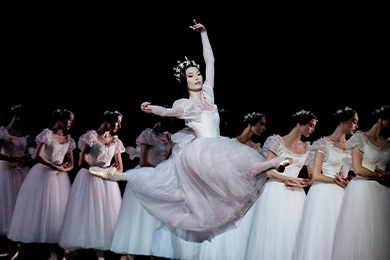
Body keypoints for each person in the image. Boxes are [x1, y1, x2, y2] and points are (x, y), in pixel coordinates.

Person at [90, 19, 291, 242]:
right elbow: (166, 112)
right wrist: (149, 108)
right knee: (162, 180)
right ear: (185, 82)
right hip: (202, 151)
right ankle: (117, 175)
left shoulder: (209, 94)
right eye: (191, 76)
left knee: (234, 172)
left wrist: (203, 33)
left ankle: (270, 164)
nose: (196, 77)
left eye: (197, 74)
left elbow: (211, 61)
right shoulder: (184, 105)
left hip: (220, 146)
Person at [245, 109, 317, 260]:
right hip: (275, 190)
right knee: (274, 232)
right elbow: (268, 171)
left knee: (294, 231)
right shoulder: (277, 141)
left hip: (296, 194)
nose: (312, 130)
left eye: (314, 126)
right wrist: (286, 179)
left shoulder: (306, 148)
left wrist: (303, 183)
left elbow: (311, 176)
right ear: (299, 124)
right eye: (310, 125)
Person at [197, 112, 267, 260]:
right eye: (261, 123)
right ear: (250, 123)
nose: (264, 128)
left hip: (245, 194)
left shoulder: (257, 149)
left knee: (240, 230)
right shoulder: (229, 143)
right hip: (225, 192)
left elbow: (258, 173)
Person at [7, 109, 75, 260]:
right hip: (43, 175)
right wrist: (53, 165)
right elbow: (37, 156)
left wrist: (63, 168)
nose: (71, 123)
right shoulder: (46, 134)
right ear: (60, 119)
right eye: (69, 120)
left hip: (59, 178)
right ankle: (26, 249)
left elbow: (71, 164)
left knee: (58, 213)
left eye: (72, 121)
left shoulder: (68, 139)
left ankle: (59, 252)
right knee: (40, 211)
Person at [292, 107, 358, 260]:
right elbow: (316, 174)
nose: (356, 126)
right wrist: (338, 181)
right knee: (323, 231)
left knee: (341, 231)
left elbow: (354, 172)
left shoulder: (351, 146)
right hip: (323, 192)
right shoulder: (323, 143)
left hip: (343, 192)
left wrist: (349, 181)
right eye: (353, 122)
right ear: (343, 122)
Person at [59, 110, 125, 260]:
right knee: (87, 214)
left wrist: (110, 171)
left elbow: (120, 167)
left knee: (104, 216)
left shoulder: (116, 141)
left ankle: (100, 252)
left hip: (107, 182)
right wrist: (100, 169)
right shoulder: (91, 137)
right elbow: (82, 161)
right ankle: (72, 251)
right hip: (90, 179)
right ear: (107, 120)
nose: (119, 126)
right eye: (117, 122)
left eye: (120, 123)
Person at [110, 116, 174, 260]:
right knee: (143, 215)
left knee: (159, 214)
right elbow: (144, 161)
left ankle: (155, 248)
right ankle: (135, 249)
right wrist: (160, 170)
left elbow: (169, 158)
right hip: (147, 175)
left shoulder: (170, 137)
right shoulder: (148, 135)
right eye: (169, 119)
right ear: (161, 119)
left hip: (162, 178)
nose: (171, 122)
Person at [332, 105, 390, 260]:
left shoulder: (389, 143)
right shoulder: (360, 138)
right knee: (361, 235)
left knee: (381, 236)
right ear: (382, 119)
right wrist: (380, 177)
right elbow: (358, 169)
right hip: (363, 190)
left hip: (384, 191)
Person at [0, 105, 34, 259]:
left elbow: (32, 153)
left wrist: (27, 158)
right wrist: (13, 158)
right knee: (8, 207)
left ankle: (21, 247)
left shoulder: (26, 134)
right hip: (7, 171)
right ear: (15, 115)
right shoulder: (3, 132)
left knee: (23, 208)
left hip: (23, 172)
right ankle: (10, 248)